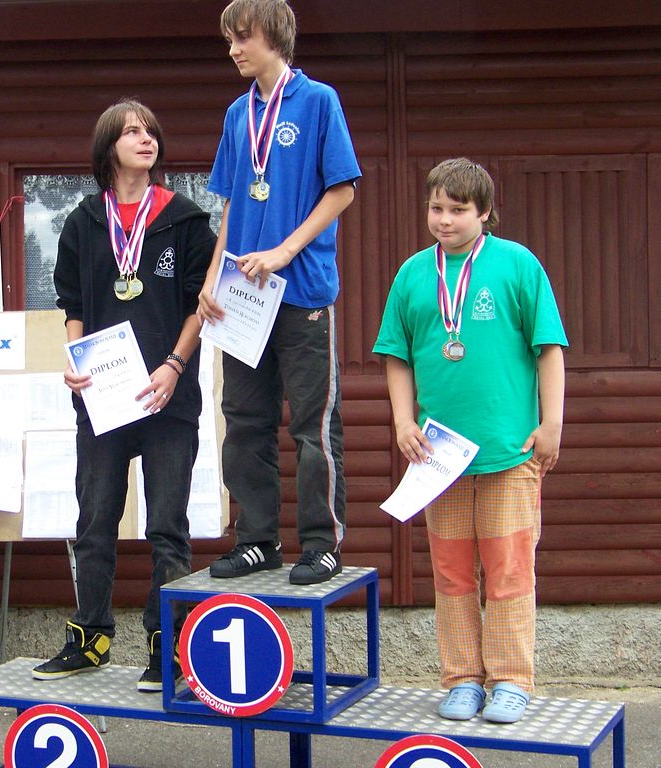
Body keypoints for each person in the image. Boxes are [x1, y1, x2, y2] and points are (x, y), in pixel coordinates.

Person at [373, 158, 567, 724]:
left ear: (485, 213)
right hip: (441, 458)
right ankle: (462, 678)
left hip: (509, 451)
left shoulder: (517, 265)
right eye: (436, 208)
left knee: (508, 571)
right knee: (453, 574)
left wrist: (552, 423)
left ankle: (510, 680)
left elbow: (549, 348)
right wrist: (403, 423)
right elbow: (397, 357)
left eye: (458, 210)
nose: (444, 220)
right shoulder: (412, 275)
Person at [32, 100, 215, 691]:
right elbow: (72, 303)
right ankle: (91, 637)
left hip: (166, 395)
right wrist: (74, 357)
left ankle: (169, 647)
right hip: (102, 398)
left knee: (167, 526)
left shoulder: (185, 219)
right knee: (94, 522)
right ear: (108, 146)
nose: (145, 139)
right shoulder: (84, 221)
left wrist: (175, 365)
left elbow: (201, 304)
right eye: (132, 131)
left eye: (151, 131)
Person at [199, 0, 361, 585]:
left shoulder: (318, 101)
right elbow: (231, 204)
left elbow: (342, 191)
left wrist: (284, 251)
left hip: (302, 291)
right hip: (242, 298)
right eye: (230, 40)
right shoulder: (236, 114)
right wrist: (212, 278)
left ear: (274, 37)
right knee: (244, 420)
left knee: (312, 424)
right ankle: (256, 541)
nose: (234, 50)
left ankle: (321, 544)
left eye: (243, 37)